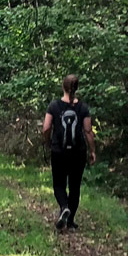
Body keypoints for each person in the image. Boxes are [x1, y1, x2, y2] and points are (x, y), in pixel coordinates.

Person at [41, 74, 96, 231]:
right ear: (76, 88)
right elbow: (88, 131)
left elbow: (46, 128)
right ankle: (70, 221)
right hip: (78, 152)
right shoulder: (83, 108)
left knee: (59, 184)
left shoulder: (54, 106)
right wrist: (92, 151)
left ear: (63, 87)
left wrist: (48, 141)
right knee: (75, 186)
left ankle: (64, 207)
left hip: (59, 151)